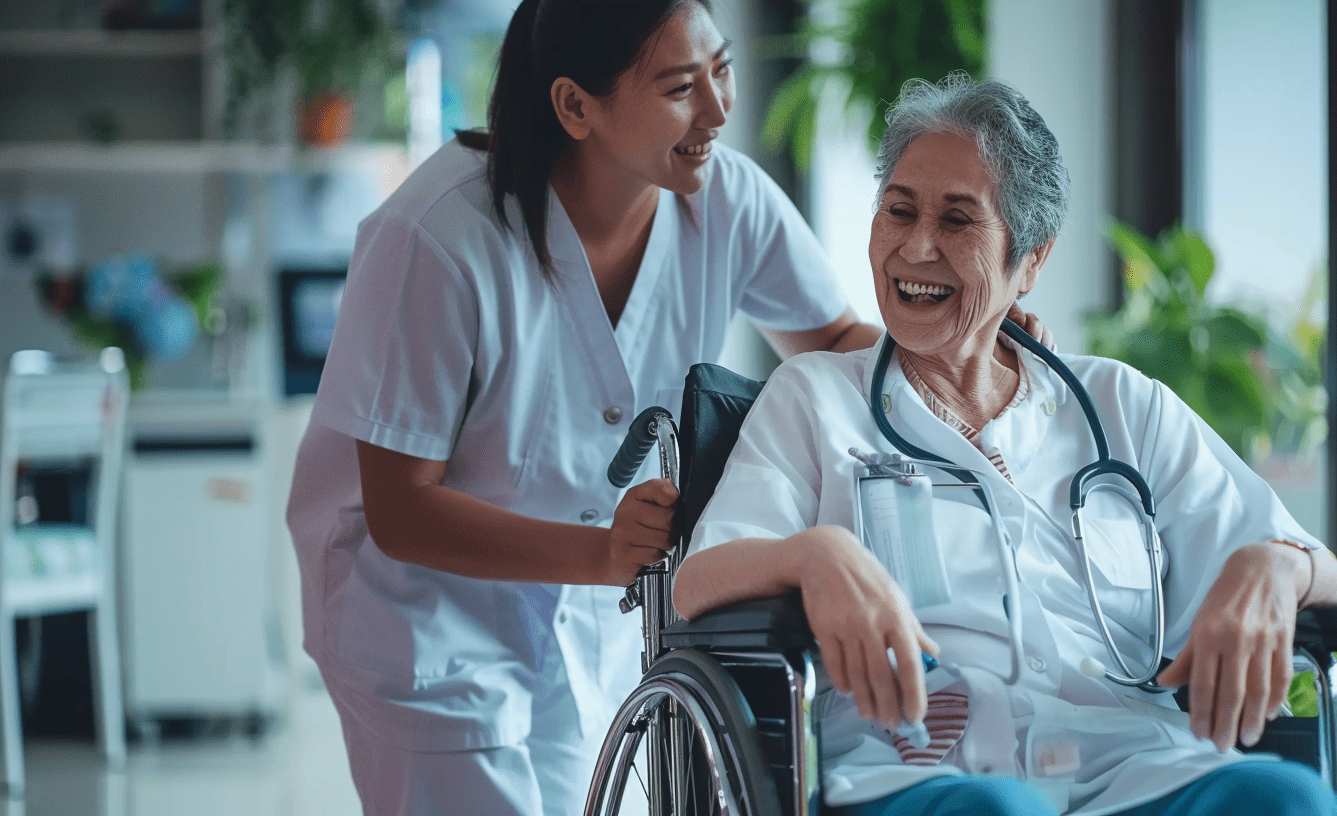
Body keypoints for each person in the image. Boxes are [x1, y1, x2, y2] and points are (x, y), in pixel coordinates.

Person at [285, 3, 1051, 815]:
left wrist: (980, 335)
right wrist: (602, 555)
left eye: (721, 71)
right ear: (577, 105)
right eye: (682, 87)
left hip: (582, 621)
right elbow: (402, 511)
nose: (721, 110)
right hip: (427, 619)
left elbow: (836, 342)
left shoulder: (726, 200)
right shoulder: (436, 239)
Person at [673, 74, 1337, 816]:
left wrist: (1272, 565)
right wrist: (812, 554)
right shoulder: (814, 398)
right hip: (924, 773)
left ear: (1029, 262)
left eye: (958, 221)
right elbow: (699, 579)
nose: (916, 245)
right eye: (898, 211)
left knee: (1286, 799)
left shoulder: (1121, 406)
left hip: (1134, 769)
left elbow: (1328, 575)